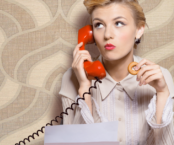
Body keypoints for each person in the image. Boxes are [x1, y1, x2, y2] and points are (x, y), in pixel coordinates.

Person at [59, 0, 174, 145]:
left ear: (139, 30)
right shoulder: (73, 78)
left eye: (119, 23)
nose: (107, 35)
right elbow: (72, 143)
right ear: (90, 34)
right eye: (99, 25)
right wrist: (84, 87)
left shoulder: (160, 78)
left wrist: (162, 93)